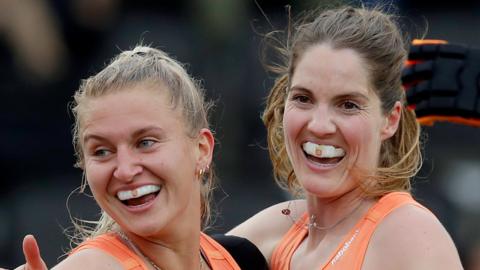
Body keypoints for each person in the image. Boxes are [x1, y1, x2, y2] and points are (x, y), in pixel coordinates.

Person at [228, 5, 464, 269]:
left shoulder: (409, 234)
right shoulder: (277, 228)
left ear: (390, 120)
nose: (319, 125)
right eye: (303, 99)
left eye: (348, 105)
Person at [3, 45, 246, 270]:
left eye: (145, 143)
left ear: (201, 149)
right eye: (102, 152)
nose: (125, 170)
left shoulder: (240, 256)